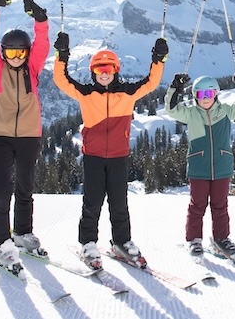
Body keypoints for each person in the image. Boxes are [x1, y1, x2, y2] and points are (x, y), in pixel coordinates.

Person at [52, 31, 168, 270]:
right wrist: (61, 56)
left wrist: (158, 60)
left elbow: (151, 82)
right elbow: (62, 81)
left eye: (109, 69)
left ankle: (122, 241)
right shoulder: (86, 93)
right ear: (93, 72)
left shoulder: (127, 93)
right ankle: (88, 243)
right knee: (92, 202)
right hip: (93, 157)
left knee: (119, 202)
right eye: (99, 70)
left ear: (116, 70)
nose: (104, 74)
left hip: (118, 157)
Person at [0, 0, 50, 272]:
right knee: (0, 190)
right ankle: (0, 243)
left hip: (29, 136)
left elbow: (43, 44)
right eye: (11, 52)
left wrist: (40, 20)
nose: (17, 57)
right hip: (1, 136)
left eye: (21, 51)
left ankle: (22, 233)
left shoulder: (32, 69)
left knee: (25, 188)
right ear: (4, 53)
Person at [165, 73, 235, 261]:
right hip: (199, 167)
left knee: (220, 205)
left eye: (209, 93)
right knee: (197, 205)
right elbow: (171, 109)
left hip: (222, 167)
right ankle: (194, 240)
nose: (205, 98)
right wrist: (176, 88)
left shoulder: (226, 111)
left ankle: (221, 239)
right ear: (195, 96)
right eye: (201, 94)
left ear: (216, 94)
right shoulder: (191, 113)